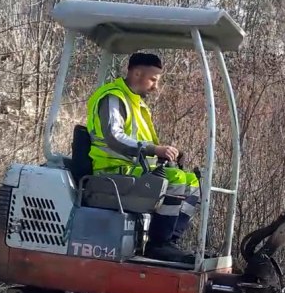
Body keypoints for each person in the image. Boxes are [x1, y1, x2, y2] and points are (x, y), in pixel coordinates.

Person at [85, 53, 200, 264]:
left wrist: (169, 153)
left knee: (193, 182)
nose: (156, 86)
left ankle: (170, 242)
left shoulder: (135, 103)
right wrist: (154, 149)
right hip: (112, 172)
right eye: (153, 79)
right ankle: (158, 245)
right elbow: (114, 137)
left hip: (133, 171)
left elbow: (141, 143)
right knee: (175, 180)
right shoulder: (114, 98)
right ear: (137, 73)